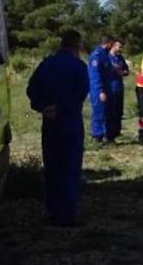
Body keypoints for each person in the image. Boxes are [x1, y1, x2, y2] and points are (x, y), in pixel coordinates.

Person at [26, 30, 89, 227]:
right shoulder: (78, 66)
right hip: (69, 121)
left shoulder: (46, 64)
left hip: (50, 122)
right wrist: (60, 108)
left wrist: (43, 107)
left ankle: (51, 211)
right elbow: (80, 93)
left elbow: (31, 89)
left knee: (52, 166)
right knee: (69, 168)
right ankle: (66, 215)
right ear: (77, 47)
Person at [87, 35, 115, 144]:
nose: (112, 46)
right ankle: (97, 136)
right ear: (107, 43)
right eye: (111, 44)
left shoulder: (105, 55)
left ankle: (106, 135)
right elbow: (95, 75)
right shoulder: (96, 56)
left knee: (108, 113)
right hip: (98, 89)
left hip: (107, 87)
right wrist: (100, 91)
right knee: (99, 113)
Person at [107, 39, 129, 142]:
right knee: (111, 111)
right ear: (113, 46)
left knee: (119, 110)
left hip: (119, 86)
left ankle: (117, 131)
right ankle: (109, 134)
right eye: (119, 47)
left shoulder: (120, 58)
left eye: (122, 47)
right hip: (110, 86)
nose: (121, 49)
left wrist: (122, 72)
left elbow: (126, 70)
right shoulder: (107, 57)